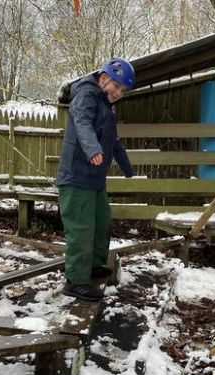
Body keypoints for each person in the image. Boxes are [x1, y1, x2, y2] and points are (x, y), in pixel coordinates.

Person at [56, 57, 135, 301]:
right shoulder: (87, 95)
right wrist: (92, 148)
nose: (119, 93)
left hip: (95, 179)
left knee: (101, 223)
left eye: (123, 90)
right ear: (103, 78)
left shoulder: (107, 105)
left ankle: (91, 266)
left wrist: (125, 165)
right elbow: (81, 121)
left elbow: (113, 140)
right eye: (116, 86)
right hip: (77, 176)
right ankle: (75, 281)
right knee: (81, 229)